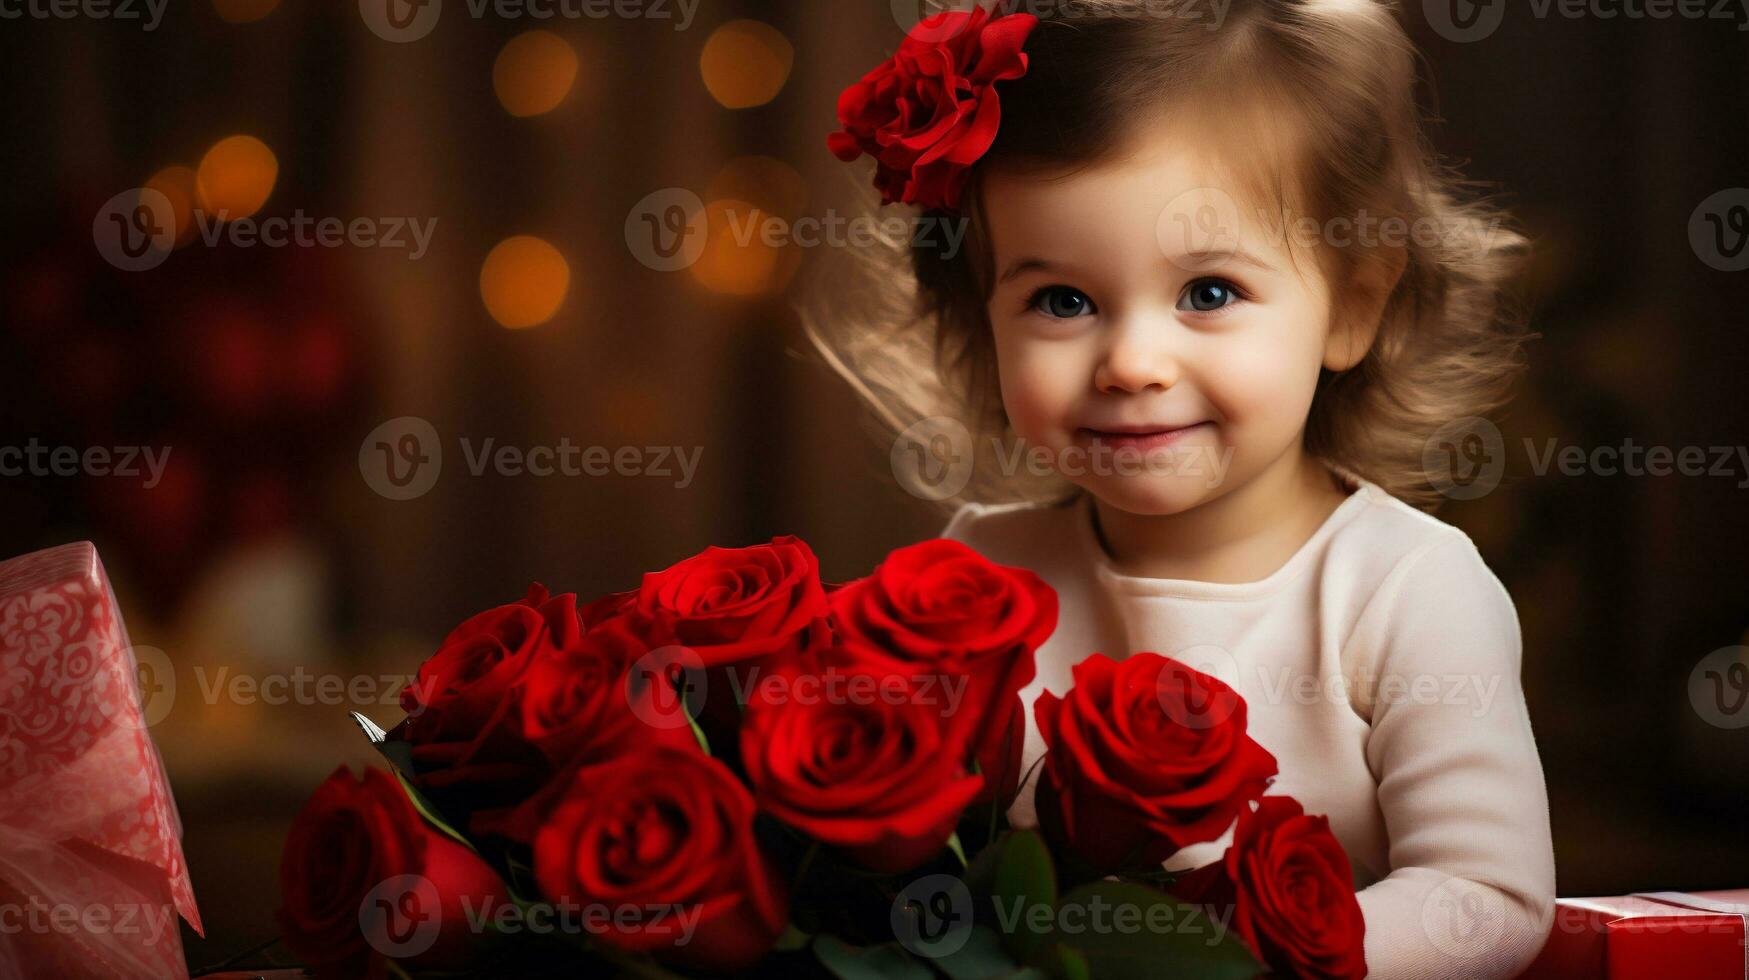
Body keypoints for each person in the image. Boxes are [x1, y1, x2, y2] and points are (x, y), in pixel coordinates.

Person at [813, 2, 1557, 977]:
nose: (1131, 361)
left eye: (1208, 291)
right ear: (980, 320)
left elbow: (1487, 894)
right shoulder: (974, 576)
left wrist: (1246, 959)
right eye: (1062, 300)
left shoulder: (1405, 588)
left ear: (1353, 307)